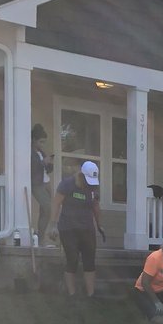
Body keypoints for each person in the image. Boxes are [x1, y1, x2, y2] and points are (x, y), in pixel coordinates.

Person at [47, 160, 104, 298]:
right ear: (81, 175)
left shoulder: (93, 187)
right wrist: (53, 224)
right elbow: (56, 203)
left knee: (89, 261)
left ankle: (91, 295)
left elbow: (95, 206)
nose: (90, 184)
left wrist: (99, 225)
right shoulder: (67, 184)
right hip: (68, 228)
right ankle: (72, 295)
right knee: (72, 260)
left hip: (87, 228)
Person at [29, 123, 54, 244]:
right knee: (47, 207)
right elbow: (32, 168)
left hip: (46, 182)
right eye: (41, 142)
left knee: (46, 210)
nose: (42, 145)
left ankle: (41, 237)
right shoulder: (29, 152)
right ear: (34, 140)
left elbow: (48, 169)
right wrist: (43, 162)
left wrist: (49, 163)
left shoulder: (41, 153)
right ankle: (41, 236)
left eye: (44, 142)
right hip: (37, 184)